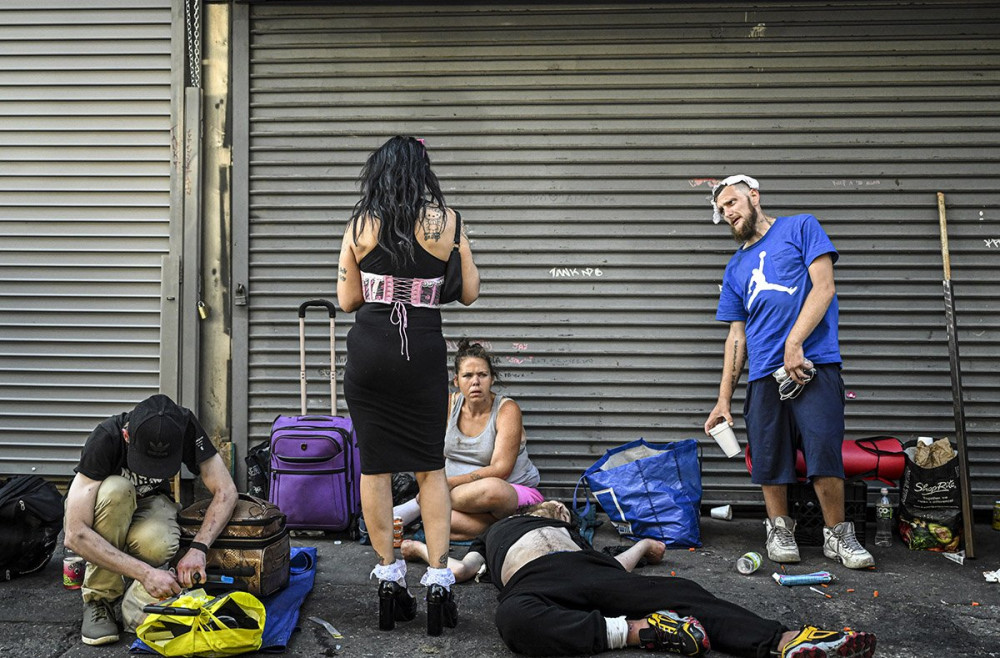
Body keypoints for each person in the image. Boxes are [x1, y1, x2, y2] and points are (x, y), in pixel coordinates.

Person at [401, 501, 876, 657]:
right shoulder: (495, 531)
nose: (557, 509)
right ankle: (636, 631)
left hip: (592, 572)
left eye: (559, 510)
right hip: (530, 581)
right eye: (550, 506)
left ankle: (786, 642)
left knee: (684, 591)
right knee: (512, 620)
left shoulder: (573, 534)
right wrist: (416, 549)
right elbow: (458, 571)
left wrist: (645, 549)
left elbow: (620, 568)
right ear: (529, 507)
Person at [337, 135, 480, 634]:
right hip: (422, 352)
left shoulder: (359, 224)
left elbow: (348, 300)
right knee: (430, 468)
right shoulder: (449, 222)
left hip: (370, 353)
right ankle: (439, 579)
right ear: (423, 174)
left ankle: (389, 583)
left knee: (374, 468)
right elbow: (471, 293)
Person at [702, 174, 874, 570]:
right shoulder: (735, 268)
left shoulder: (801, 227)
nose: (727, 212)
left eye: (732, 203)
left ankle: (838, 536)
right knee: (768, 455)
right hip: (764, 375)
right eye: (721, 209)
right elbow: (735, 336)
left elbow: (824, 287)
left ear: (754, 197)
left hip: (813, 364)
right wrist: (723, 399)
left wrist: (794, 344)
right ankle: (779, 529)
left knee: (823, 448)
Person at [63, 394, 238, 646]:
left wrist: (198, 549)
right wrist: (146, 573)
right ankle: (99, 598)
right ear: (127, 436)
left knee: (160, 542)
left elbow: (226, 491)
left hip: (149, 503)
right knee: (117, 490)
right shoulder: (106, 437)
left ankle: (136, 593)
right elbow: (75, 533)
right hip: (108, 507)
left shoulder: (185, 425)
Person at [391, 339, 543, 541]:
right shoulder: (448, 406)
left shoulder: (507, 410)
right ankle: (511, 524)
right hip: (460, 499)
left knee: (491, 490)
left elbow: (501, 469)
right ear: (456, 381)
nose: (475, 382)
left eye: (482, 375)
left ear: (492, 379)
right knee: (439, 523)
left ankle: (420, 505)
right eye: (467, 376)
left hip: (509, 493)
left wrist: (447, 484)